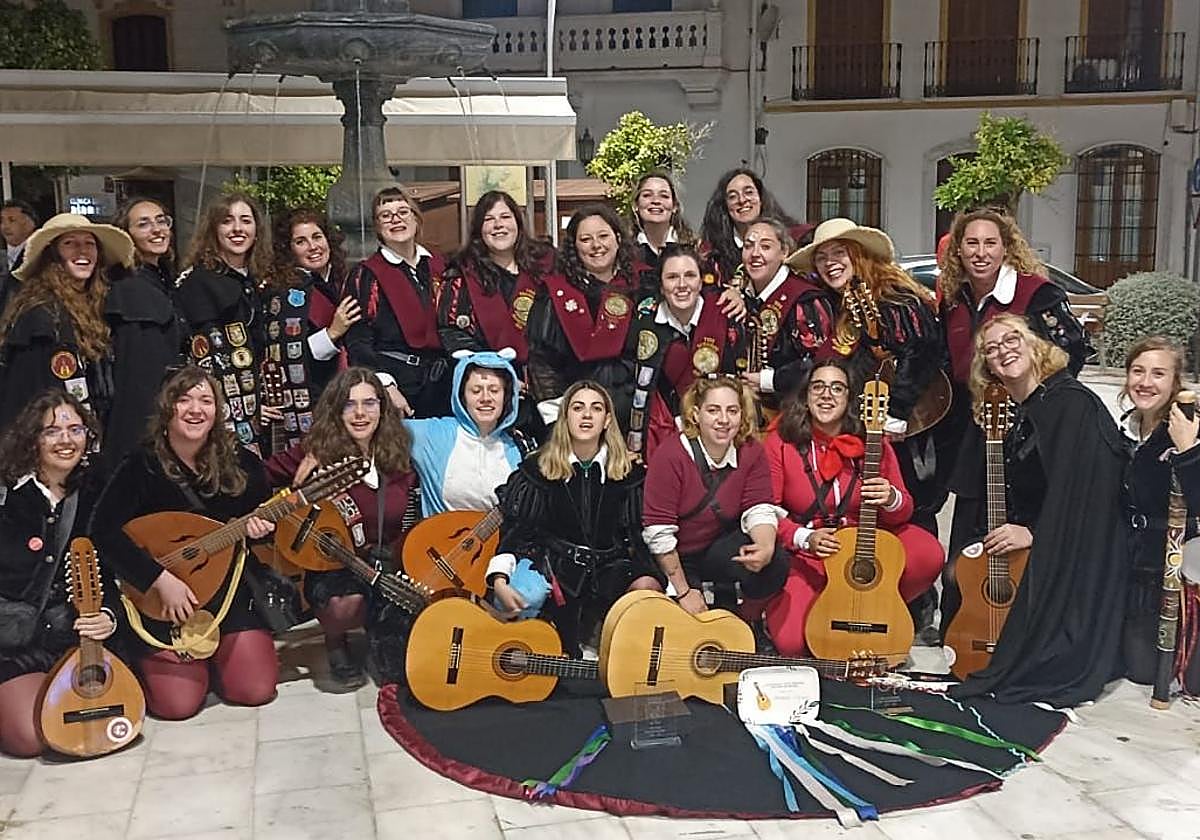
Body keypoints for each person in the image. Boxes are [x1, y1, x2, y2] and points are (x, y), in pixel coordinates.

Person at [946, 314, 1128, 706]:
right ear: (987, 366)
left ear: (1034, 345)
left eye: (1012, 340)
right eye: (992, 350)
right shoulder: (1020, 409)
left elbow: (1083, 497)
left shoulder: (1069, 403)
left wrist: (1034, 533)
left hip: (1075, 546)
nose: (1003, 351)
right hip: (1038, 532)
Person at [788, 218, 946, 639]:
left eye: (837, 253)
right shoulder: (838, 307)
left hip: (908, 421)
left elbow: (925, 351)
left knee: (913, 503)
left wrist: (897, 407)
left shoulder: (895, 297)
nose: (829, 262)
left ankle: (917, 605)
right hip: (866, 418)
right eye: (821, 257)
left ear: (858, 255)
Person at [90, 367, 278, 719]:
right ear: (167, 408)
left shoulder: (241, 463)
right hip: (162, 600)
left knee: (254, 690)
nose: (195, 409)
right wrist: (158, 579)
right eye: (184, 399)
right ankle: (181, 664)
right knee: (179, 706)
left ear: (217, 410)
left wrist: (261, 529)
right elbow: (103, 532)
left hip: (226, 589)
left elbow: (263, 527)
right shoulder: (140, 465)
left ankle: (215, 660)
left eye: (206, 400)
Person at [941, 211, 1093, 589]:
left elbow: (1070, 353)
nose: (981, 252)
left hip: (1027, 432)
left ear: (1006, 247)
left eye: (990, 243)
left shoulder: (1037, 294)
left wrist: (1033, 404)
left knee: (1014, 521)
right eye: (972, 243)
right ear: (958, 249)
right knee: (969, 527)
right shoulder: (953, 297)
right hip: (974, 426)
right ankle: (959, 621)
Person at [762, 358, 944, 657]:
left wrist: (890, 498)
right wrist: (803, 537)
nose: (826, 395)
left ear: (849, 398)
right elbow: (765, 510)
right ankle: (817, 607)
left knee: (927, 553)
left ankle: (881, 607)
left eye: (837, 388)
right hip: (813, 552)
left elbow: (904, 509)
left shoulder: (872, 440)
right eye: (818, 387)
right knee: (792, 644)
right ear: (805, 396)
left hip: (863, 549)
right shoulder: (780, 442)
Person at [265, 366, 416, 689]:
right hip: (335, 567)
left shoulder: (400, 450)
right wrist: (295, 494)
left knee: (401, 671)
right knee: (343, 607)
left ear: (382, 407)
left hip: (386, 563)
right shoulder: (316, 452)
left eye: (369, 403)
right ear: (336, 410)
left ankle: (379, 628)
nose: (360, 413)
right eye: (349, 404)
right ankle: (336, 639)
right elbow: (256, 478)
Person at [486, 380, 660, 656]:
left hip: (609, 569)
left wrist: (656, 580)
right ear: (565, 417)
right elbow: (515, 531)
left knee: (648, 592)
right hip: (553, 565)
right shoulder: (538, 468)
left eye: (596, 408)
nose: (587, 415)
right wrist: (499, 580)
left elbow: (640, 537)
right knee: (524, 597)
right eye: (578, 408)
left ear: (607, 420)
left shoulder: (629, 472)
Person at [0, 391, 116, 757]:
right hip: (10, 644)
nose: (66, 440)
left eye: (75, 429)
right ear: (32, 438)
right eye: (52, 431)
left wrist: (108, 616)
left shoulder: (98, 493)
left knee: (94, 723)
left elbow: (116, 566)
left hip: (70, 639)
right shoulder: (6, 495)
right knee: (29, 737)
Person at [642, 376, 789, 617]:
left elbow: (759, 507)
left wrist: (764, 547)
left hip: (716, 546)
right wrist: (684, 592)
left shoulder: (750, 450)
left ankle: (745, 621)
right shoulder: (670, 455)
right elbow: (659, 532)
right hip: (675, 554)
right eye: (713, 410)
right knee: (685, 619)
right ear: (696, 414)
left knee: (776, 563)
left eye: (732, 411)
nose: (723, 420)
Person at [1118, 336, 1200, 693]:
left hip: (1174, 566)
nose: (1145, 382)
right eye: (1138, 371)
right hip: (1130, 562)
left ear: (1174, 382)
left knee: (1152, 672)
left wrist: (1188, 451)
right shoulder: (1126, 427)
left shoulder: (1188, 425)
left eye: (1158, 374)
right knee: (1132, 667)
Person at [0, 213, 134, 432]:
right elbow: (26, 397)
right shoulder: (41, 315)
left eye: (89, 243)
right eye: (70, 244)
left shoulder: (98, 307)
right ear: (52, 255)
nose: (82, 251)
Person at [525, 205, 640, 431]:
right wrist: (558, 422)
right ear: (574, 247)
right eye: (586, 239)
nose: (596, 245)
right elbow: (543, 362)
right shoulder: (555, 293)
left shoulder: (643, 284)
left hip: (634, 415)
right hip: (576, 417)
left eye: (603, 236)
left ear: (618, 238)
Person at [626, 245, 744, 460]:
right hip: (663, 435)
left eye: (690, 276)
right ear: (661, 286)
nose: (682, 285)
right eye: (672, 277)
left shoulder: (726, 315)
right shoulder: (643, 324)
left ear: (701, 281)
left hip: (722, 436)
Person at [175, 192, 272, 454]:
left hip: (255, 412)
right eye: (227, 221)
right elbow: (206, 358)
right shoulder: (199, 283)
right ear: (214, 229)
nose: (238, 229)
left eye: (246, 221)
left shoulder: (254, 280)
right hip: (217, 412)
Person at [343, 186, 450, 419]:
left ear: (416, 218)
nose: (395, 220)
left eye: (403, 211)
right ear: (377, 227)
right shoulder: (365, 275)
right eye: (386, 215)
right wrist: (386, 386)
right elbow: (358, 340)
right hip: (397, 385)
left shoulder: (440, 267)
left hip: (443, 383)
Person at [260, 208, 361, 446]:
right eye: (301, 241)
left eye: (317, 237)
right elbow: (288, 356)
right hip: (313, 402)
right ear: (289, 250)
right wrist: (332, 333)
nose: (313, 246)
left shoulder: (342, 282)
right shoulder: (284, 292)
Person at [105, 197, 186, 467]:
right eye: (144, 224)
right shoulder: (130, 287)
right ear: (126, 234)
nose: (157, 229)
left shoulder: (159, 276)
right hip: (143, 420)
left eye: (161, 221)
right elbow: (138, 375)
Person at [437, 190, 554, 368]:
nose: (498, 225)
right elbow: (452, 332)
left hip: (546, 379)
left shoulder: (546, 266)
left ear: (518, 222)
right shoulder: (462, 275)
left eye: (505, 216)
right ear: (479, 229)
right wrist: (492, 370)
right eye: (488, 219)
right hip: (487, 382)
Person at [405, 349, 529, 518]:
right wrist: (386, 385)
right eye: (476, 390)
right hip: (441, 541)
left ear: (507, 396)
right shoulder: (432, 434)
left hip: (502, 542)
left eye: (494, 390)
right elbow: (377, 426)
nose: (486, 398)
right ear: (461, 396)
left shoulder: (521, 446)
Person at [738, 217, 834, 412]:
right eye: (748, 246)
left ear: (784, 252)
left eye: (765, 247)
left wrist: (769, 380)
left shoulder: (804, 300)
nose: (755, 254)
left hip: (794, 413)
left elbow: (820, 362)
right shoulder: (739, 295)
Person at [699, 168, 812, 289]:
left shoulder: (793, 238)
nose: (742, 200)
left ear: (761, 198)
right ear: (725, 206)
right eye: (732, 197)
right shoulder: (712, 253)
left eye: (749, 192)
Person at [629, 171, 696, 292]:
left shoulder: (695, 248)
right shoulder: (625, 251)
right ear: (636, 205)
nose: (656, 201)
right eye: (647, 195)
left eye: (664, 196)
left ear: (675, 206)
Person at [0, 200, 38, 318]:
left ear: (29, 223)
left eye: (12, 220)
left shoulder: (40, 256)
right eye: (2, 221)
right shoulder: (2, 257)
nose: (5, 226)